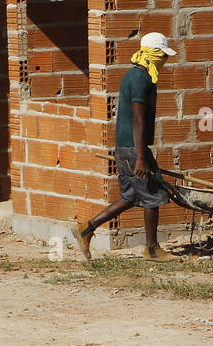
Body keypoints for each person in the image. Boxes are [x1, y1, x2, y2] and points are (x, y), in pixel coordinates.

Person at [70, 31, 177, 261]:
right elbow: (138, 119)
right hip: (132, 149)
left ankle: (86, 230)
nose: (165, 60)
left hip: (126, 147)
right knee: (153, 194)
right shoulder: (141, 79)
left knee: (130, 197)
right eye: (163, 56)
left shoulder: (133, 75)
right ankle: (151, 249)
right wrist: (141, 157)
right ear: (154, 54)